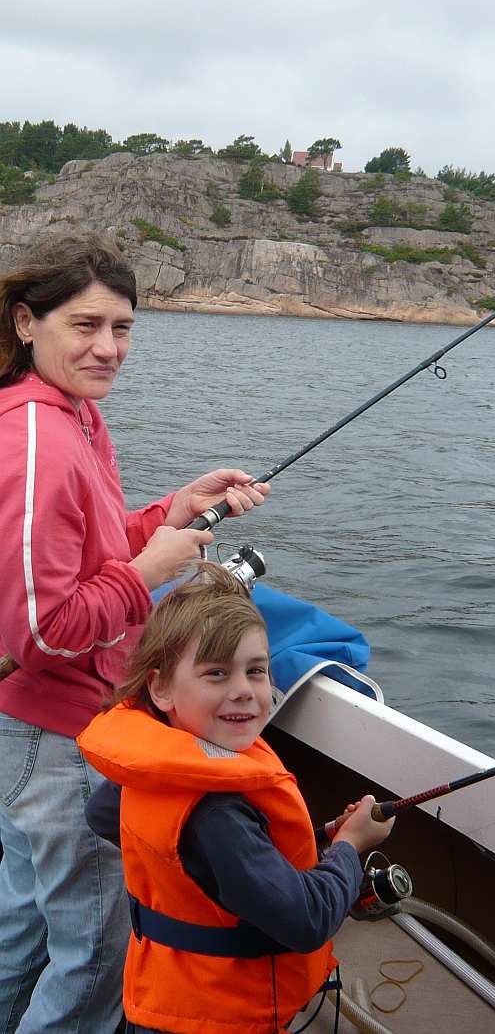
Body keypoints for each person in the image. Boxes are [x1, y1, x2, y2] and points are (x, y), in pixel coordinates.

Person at [0, 234, 269, 1034]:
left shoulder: (71, 414)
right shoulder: (37, 439)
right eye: (85, 325)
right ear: (25, 321)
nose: (107, 347)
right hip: (53, 738)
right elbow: (46, 629)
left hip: (40, 730)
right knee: (92, 953)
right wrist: (150, 570)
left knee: (23, 925)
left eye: (122, 328)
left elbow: (81, 548)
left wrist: (170, 512)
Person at [78, 564, 393, 1034]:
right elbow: (307, 920)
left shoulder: (151, 766)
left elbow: (103, 815)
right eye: (216, 673)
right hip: (220, 1015)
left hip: (162, 996)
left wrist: (199, 871)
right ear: (160, 687)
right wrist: (349, 845)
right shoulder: (218, 813)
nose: (243, 690)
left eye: (257, 671)